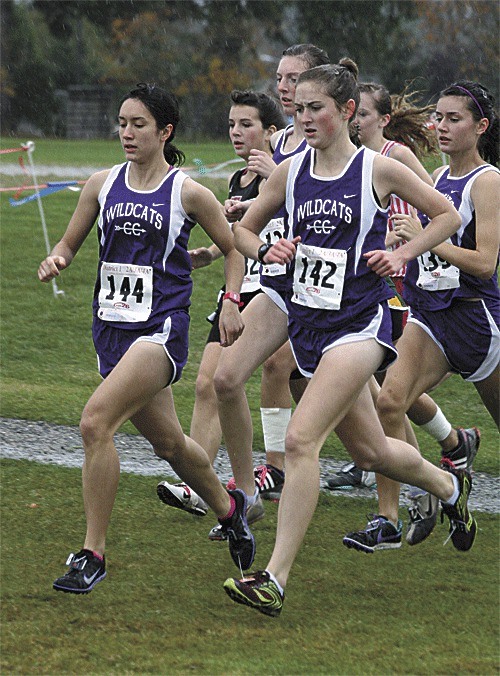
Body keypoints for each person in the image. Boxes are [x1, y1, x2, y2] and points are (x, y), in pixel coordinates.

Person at [222, 61, 473, 618]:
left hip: (360, 327)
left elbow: (448, 215)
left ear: (347, 112)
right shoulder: (288, 174)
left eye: (318, 108)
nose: (305, 117)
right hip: (309, 326)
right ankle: (451, 490)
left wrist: (403, 252)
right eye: (301, 107)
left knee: (301, 439)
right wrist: (265, 251)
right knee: (371, 450)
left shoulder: (377, 170)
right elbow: (239, 229)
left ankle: (273, 578)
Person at [38, 83, 256, 594]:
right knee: (170, 445)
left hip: (159, 332)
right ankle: (231, 510)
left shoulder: (188, 192)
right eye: (122, 124)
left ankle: (92, 554)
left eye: (138, 124)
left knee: (95, 422)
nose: (127, 133)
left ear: (165, 131)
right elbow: (70, 243)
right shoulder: (102, 184)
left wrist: (230, 301)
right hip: (111, 330)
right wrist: (59, 258)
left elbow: (234, 249)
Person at [343, 79, 499, 552]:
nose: (442, 126)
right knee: (390, 403)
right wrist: (400, 244)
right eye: (439, 117)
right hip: (431, 316)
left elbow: (485, 263)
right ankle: (422, 497)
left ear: (481, 127)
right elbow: (430, 250)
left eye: (455, 119)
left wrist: (432, 238)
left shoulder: (488, 181)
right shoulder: (437, 177)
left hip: (476, 322)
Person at [203, 43, 329, 539]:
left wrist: (402, 251)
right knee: (226, 379)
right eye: (280, 77)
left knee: (377, 421)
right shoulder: (279, 153)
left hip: (333, 299)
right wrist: (247, 236)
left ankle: (438, 480)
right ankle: (249, 492)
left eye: (294, 78)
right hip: (281, 287)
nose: (283, 86)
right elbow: (248, 231)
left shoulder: (329, 152)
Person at [156, 88, 286, 519]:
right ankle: (201, 484)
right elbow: (242, 237)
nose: (236, 132)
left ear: (271, 130)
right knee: (207, 384)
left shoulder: (283, 173)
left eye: (246, 124)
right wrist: (210, 253)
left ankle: (272, 475)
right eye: (231, 124)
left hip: (273, 293)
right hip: (240, 289)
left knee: (246, 382)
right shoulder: (239, 180)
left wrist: (276, 174)